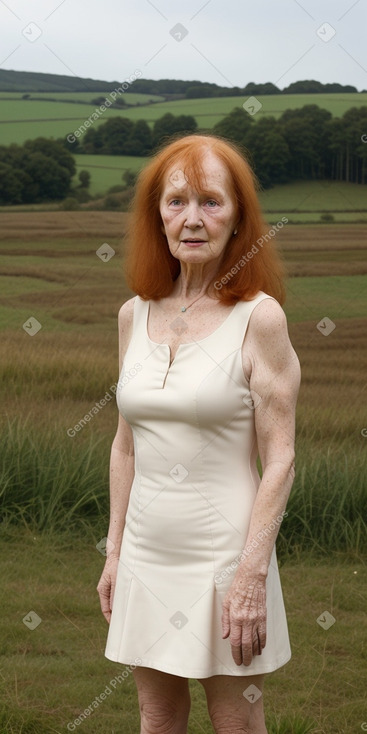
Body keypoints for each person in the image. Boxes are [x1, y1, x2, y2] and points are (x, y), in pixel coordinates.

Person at [97, 133, 301, 734]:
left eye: (211, 201)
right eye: (176, 201)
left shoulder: (259, 317)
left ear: (239, 217)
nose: (192, 219)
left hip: (226, 558)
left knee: (235, 721)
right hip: (145, 552)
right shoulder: (133, 314)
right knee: (157, 715)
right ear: (156, 214)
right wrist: (113, 554)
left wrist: (250, 574)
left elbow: (281, 456)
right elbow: (125, 444)